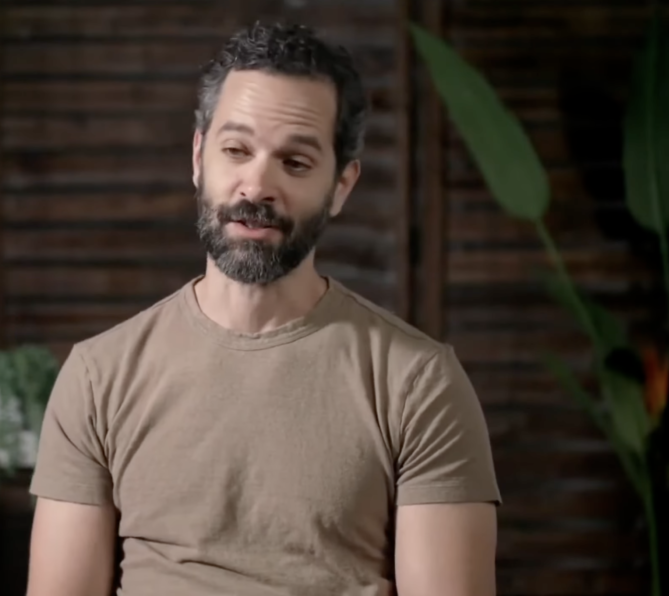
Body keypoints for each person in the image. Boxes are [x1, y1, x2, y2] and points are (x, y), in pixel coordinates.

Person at [25, 21, 501, 596]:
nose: (256, 186)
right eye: (236, 150)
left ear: (341, 185)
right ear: (198, 157)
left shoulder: (418, 384)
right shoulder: (97, 377)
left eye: (295, 163)